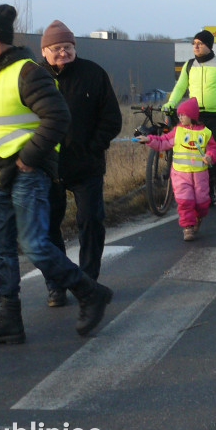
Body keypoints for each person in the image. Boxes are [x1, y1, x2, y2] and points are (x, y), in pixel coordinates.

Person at [0, 4, 113, 345]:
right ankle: (9, 319)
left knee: (34, 244)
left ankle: (89, 291)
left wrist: (29, 159)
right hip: (3, 172)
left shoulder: (27, 72)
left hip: (29, 172)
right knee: (0, 247)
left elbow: (57, 117)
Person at [40, 20, 123, 308]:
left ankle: (88, 281)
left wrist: (93, 146)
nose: (63, 53)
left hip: (86, 165)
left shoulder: (93, 74)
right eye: (56, 48)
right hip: (48, 167)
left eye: (68, 47)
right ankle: (57, 284)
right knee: (48, 227)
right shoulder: (35, 77)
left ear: (75, 48)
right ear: (45, 51)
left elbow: (112, 118)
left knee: (90, 221)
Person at [163, 30, 216, 210]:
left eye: (200, 43)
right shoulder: (189, 66)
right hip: (196, 118)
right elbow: (180, 87)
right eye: (194, 43)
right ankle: (206, 193)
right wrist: (172, 102)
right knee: (198, 155)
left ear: (209, 46)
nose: (195, 46)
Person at [140, 97, 216, 241]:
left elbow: (213, 149)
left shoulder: (206, 133)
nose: (180, 117)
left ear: (192, 116)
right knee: (185, 200)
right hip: (180, 174)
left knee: (202, 202)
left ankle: (198, 216)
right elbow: (163, 142)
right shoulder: (177, 131)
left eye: (183, 114)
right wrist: (149, 140)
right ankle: (187, 227)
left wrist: (210, 156)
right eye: (179, 115)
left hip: (200, 175)